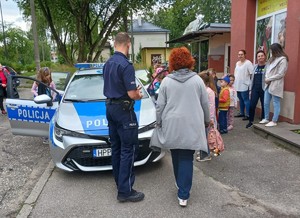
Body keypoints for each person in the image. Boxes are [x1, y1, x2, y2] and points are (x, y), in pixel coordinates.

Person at [150, 47, 210, 207]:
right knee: (186, 157)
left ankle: (181, 186)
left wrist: (158, 122)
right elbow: (205, 103)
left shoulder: (166, 81)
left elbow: (159, 106)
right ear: (189, 61)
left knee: (176, 154)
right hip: (191, 125)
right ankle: (183, 193)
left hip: (172, 124)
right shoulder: (197, 80)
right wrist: (207, 120)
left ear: (173, 62)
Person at [103, 32, 144, 203]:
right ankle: (125, 191)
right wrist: (139, 95)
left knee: (116, 148)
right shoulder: (126, 65)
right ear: (128, 44)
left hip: (110, 108)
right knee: (128, 149)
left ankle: (119, 183)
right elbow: (131, 93)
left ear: (114, 44)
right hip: (124, 110)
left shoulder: (108, 63)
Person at [259, 43, 289, 127]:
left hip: (276, 84)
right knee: (265, 102)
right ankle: (266, 118)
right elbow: (267, 70)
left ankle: (274, 120)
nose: (271, 52)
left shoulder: (283, 59)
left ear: (276, 50)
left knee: (276, 102)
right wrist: (266, 78)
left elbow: (281, 74)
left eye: (272, 50)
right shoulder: (272, 59)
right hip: (268, 84)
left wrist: (269, 79)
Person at [196, 70, 217, 162]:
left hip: (207, 118)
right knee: (204, 136)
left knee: (207, 136)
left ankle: (206, 154)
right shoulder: (204, 90)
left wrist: (211, 119)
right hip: (203, 117)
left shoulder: (209, 92)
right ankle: (204, 152)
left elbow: (211, 106)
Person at [246, 50, 267, 128]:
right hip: (255, 88)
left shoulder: (268, 66)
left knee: (264, 105)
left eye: (262, 56)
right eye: (259, 56)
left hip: (264, 89)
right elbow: (251, 78)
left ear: (264, 57)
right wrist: (250, 88)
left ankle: (263, 120)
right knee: (252, 105)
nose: (260, 57)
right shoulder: (254, 66)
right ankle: (250, 121)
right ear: (256, 58)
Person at [234, 49, 253, 120]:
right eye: (239, 54)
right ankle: (242, 113)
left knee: (246, 100)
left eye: (241, 54)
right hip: (237, 84)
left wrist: (249, 83)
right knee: (240, 99)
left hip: (245, 84)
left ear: (245, 55)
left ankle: (248, 114)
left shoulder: (248, 63)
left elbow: (252, 74)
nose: (240, 56)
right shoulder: (237, 63)